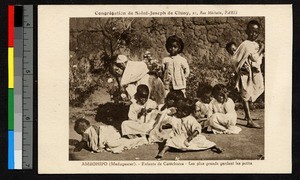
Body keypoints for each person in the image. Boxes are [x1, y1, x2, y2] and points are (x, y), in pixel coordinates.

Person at [155, 98, 223, 159]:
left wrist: (191, 137)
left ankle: (214, 147)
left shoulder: (190, 119)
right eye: (177, 109)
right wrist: (166, 117)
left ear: (185, 112)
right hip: (179, 137)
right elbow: (166, 121)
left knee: (203, 141)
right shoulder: (175, 117)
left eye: (178, 110)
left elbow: (197, 128)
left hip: (191, 138)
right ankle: (163, 151)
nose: (177, 111)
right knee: (170, 141)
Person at [230, 20, 264, 128]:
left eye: (256, 32)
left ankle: (246, 115)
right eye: (250, 31)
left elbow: (258, 59)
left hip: (253, 73)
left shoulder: (256, 44)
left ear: (258, 33)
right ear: (246, 31)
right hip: (245, 74)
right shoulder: (245, 44)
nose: (253, 34)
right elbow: (234, 59)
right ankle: (249, 120)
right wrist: (239, 68)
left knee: (253, 90)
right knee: (245, 95)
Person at [73, 118, 148, 154]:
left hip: (107, 135)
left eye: (80, 133)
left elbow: (83, 142)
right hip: (109, 131)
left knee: (116, 144)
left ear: (82, 130)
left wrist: (78, 147)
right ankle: (135, 137)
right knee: (118, 138)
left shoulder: (87, 132)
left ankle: (141, 139)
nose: (81, 135)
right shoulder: (92, 128)